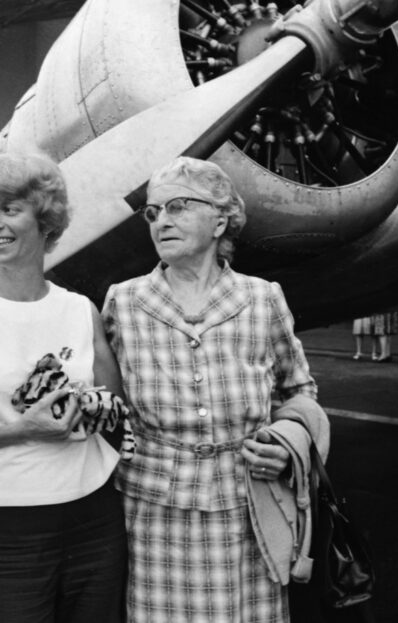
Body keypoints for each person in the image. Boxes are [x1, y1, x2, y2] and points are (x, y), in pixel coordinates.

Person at [102, 156, 330, 623]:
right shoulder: (123, 302)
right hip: (154, 513)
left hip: (248, 505)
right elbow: (109, 405)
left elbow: (300, 389)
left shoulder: (262, 298)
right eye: (153, 212)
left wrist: (290, 445)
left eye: (179, 207)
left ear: (220, 220)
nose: (162, 220)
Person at [0, 153, 128, 623]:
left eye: (9, 209)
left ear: (45, 219)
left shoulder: (81, 310)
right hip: (4, 525)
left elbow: (113, 410)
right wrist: (23, 430)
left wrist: (88, 408)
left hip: (95, 515)